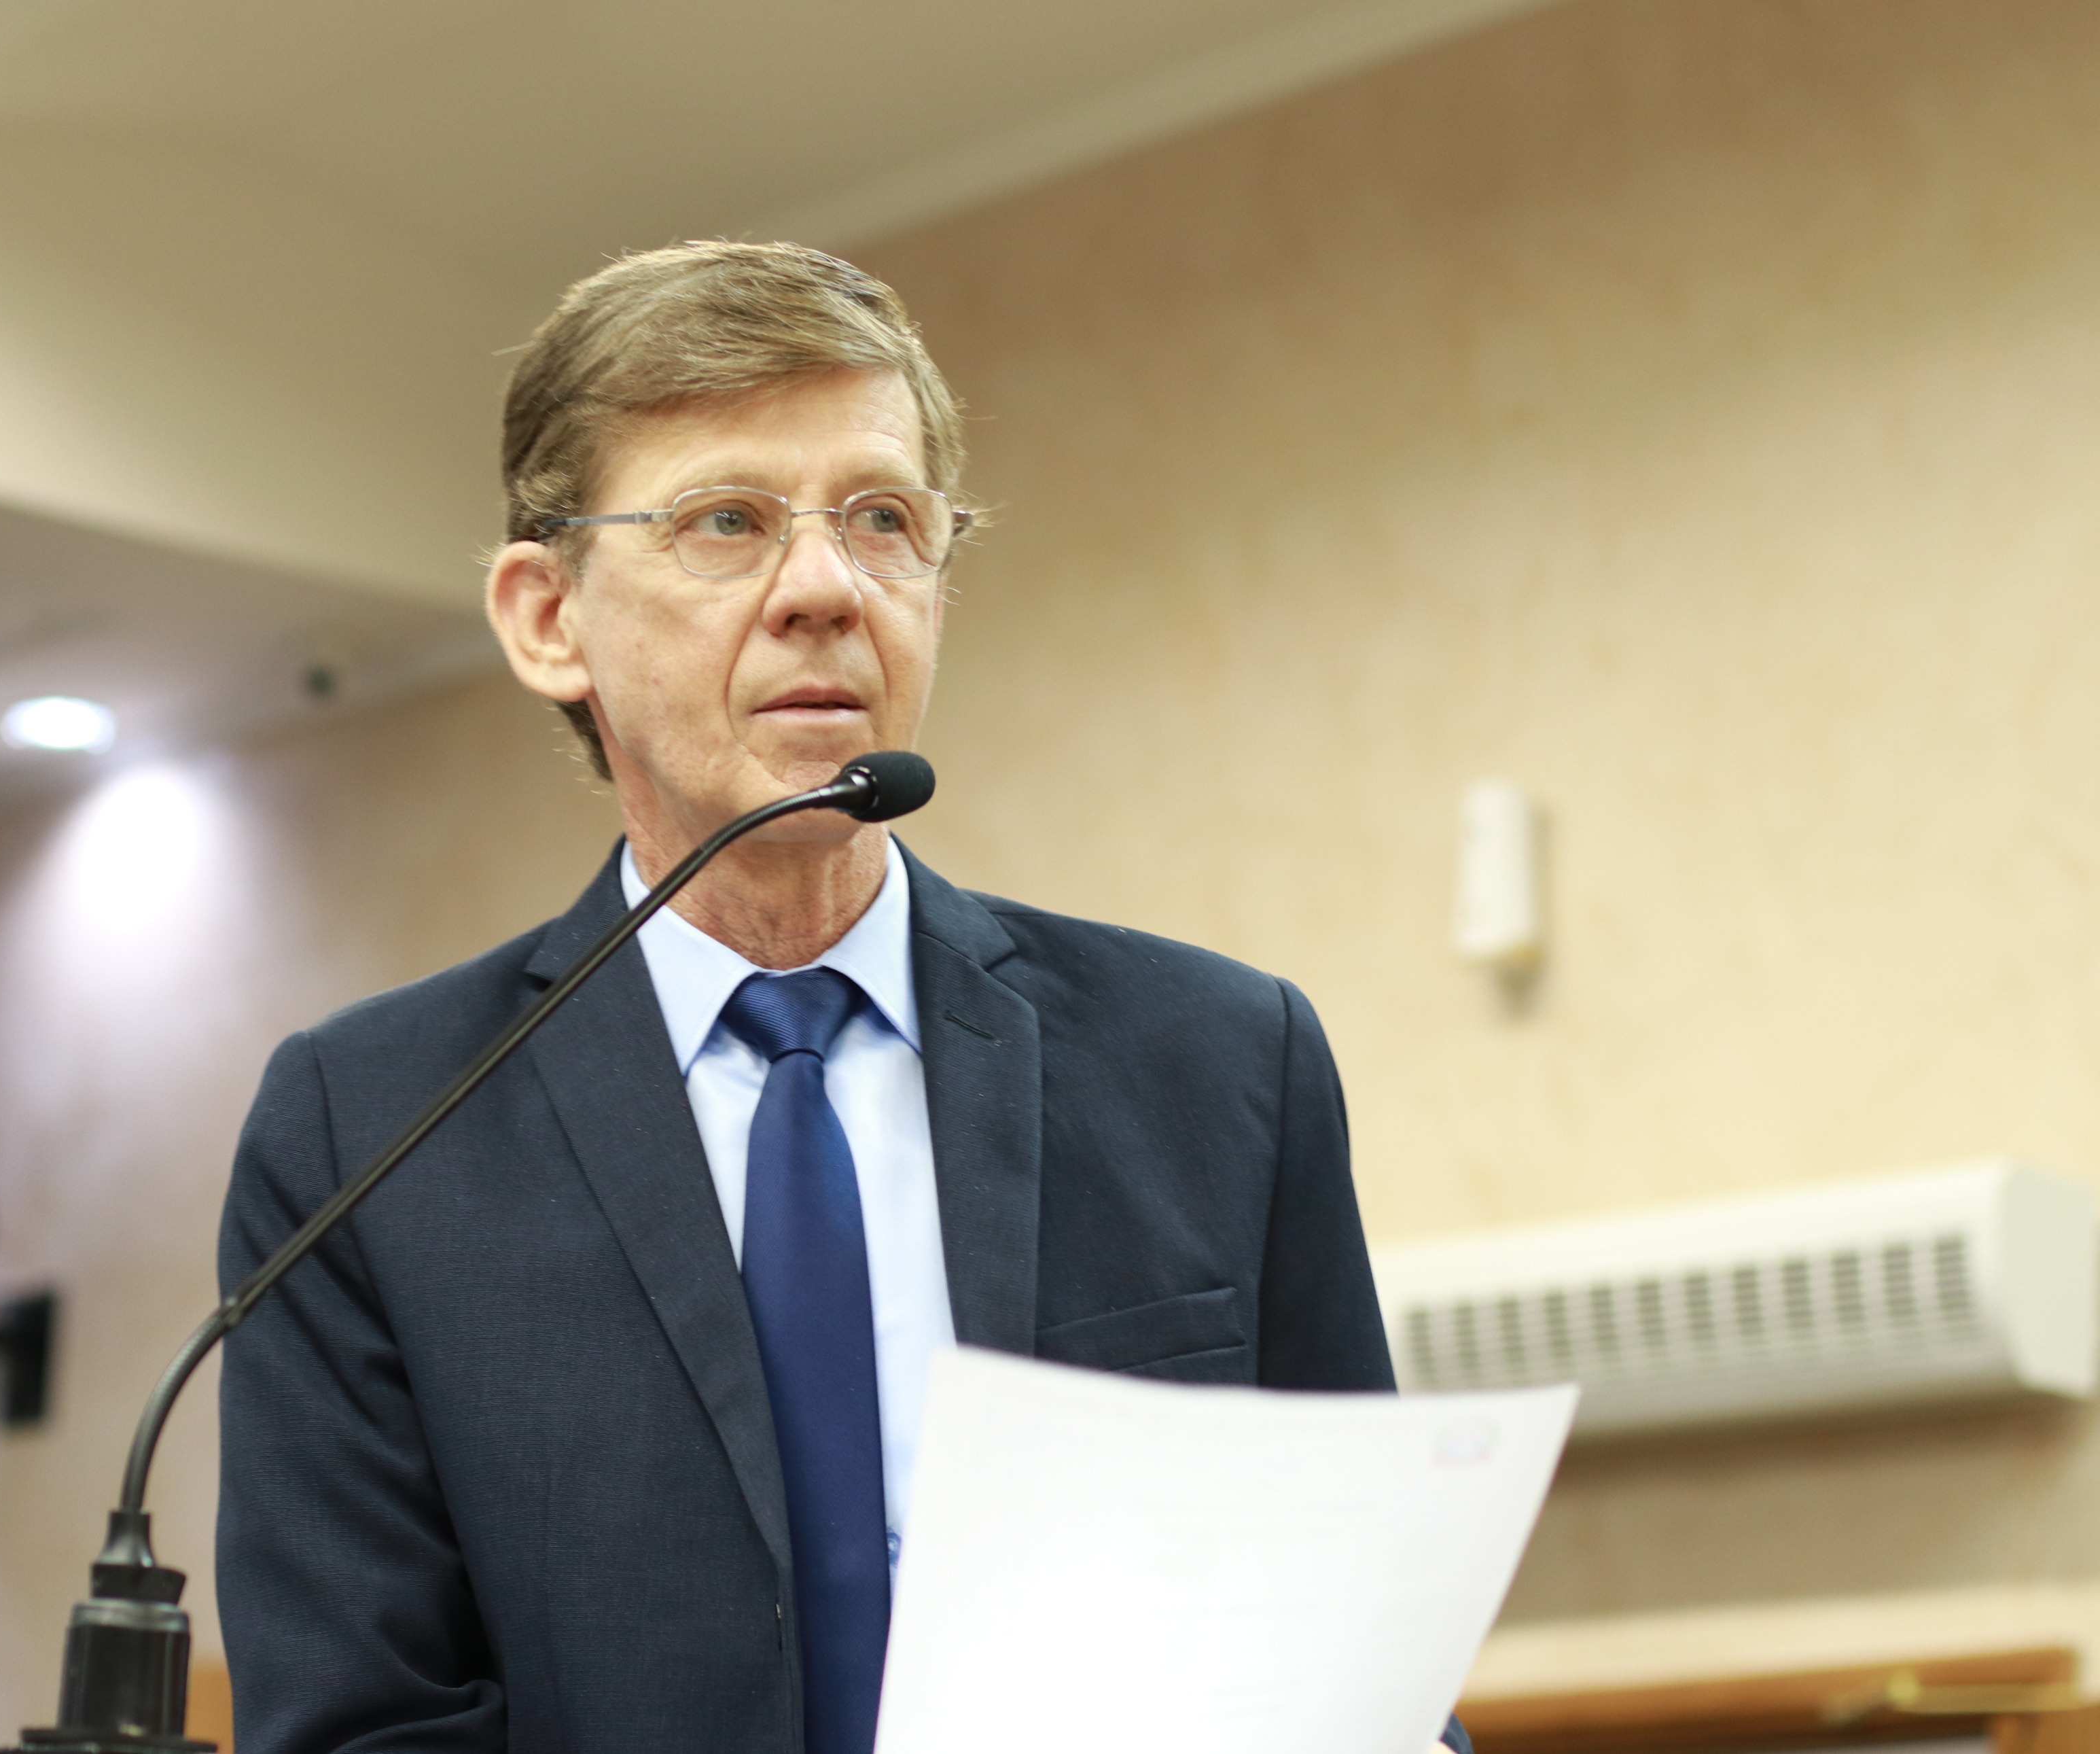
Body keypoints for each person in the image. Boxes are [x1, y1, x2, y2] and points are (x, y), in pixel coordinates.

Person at [217, 241, 1468, 1754]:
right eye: (726, 522)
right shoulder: (370, 1128)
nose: (824, 588)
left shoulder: (1219, 1062)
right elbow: (362, 1724)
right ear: (549, 617)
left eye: (883, 520)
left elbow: (1357, 1657)